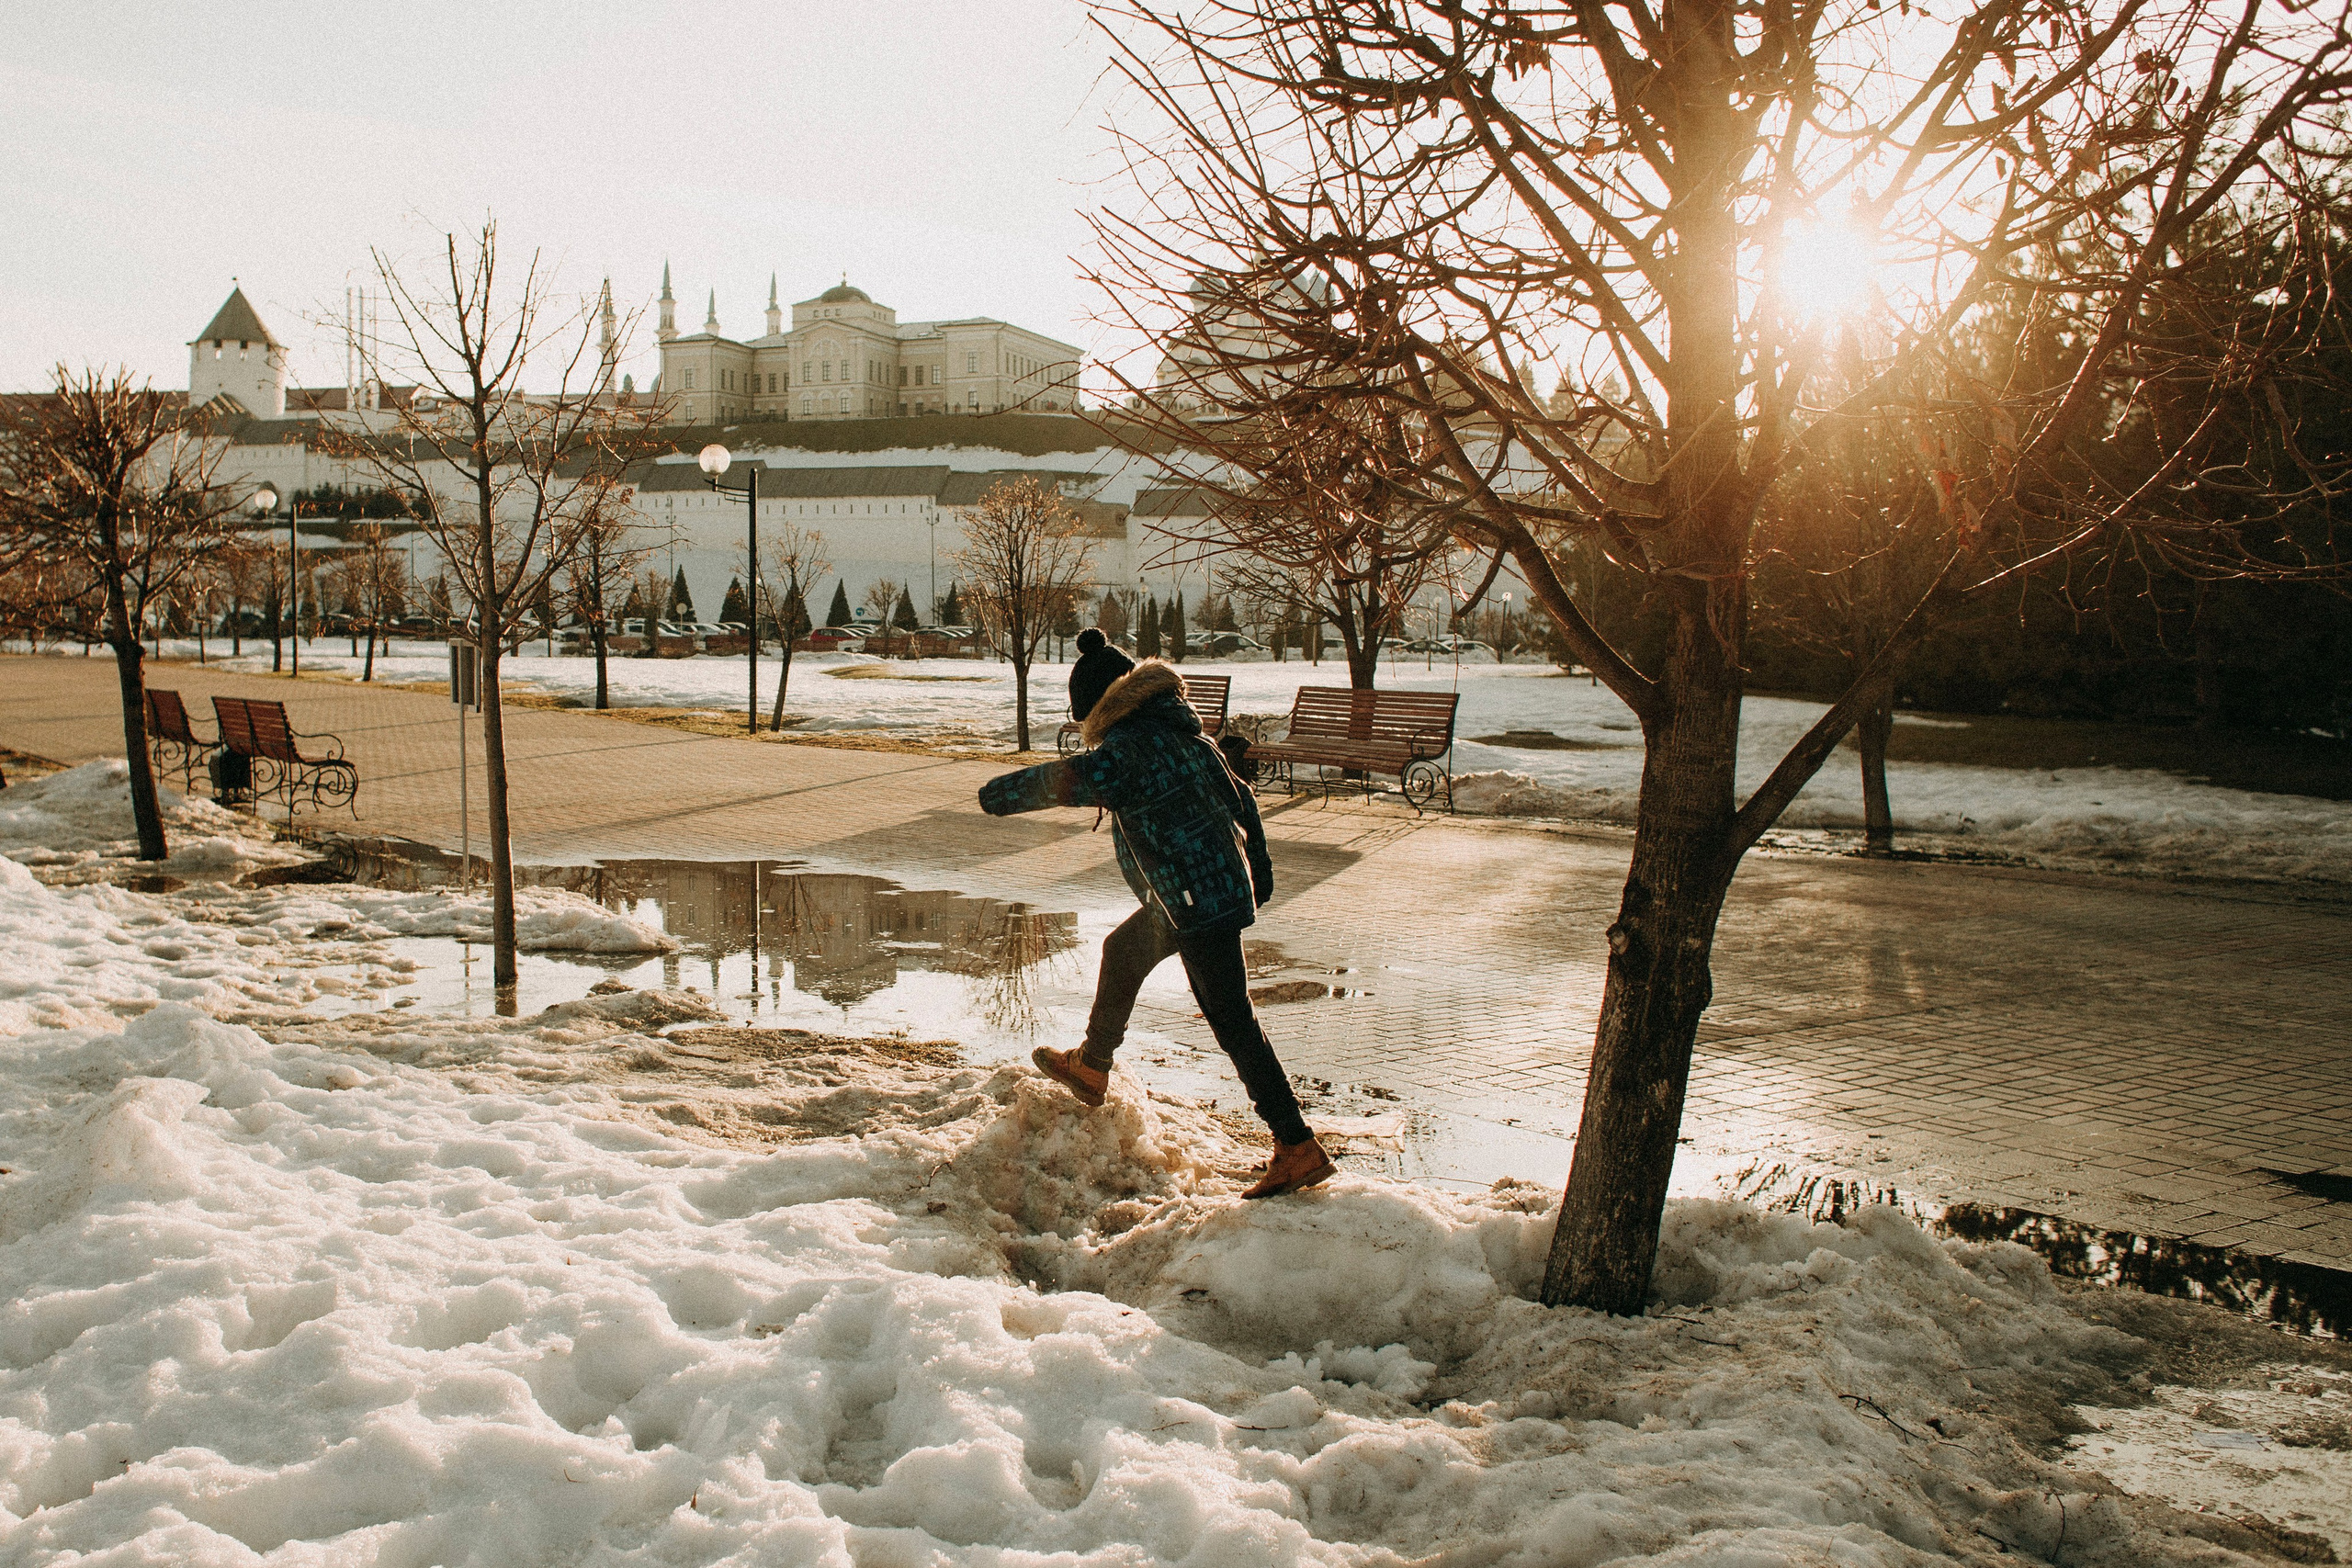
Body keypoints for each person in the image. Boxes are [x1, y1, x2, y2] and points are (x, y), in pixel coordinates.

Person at [978, 627, 1334, 1198]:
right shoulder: (1191, 739)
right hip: (1204, 894)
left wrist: (996, 795)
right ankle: (1093, 1066)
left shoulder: (1126, 755)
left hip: (1193, 904)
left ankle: (1296, 1145)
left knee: (1232, 1020)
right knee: (1123, 950)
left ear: (1099, 710)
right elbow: (1244, 803)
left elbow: (1060, 781)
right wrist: (1257, 876)